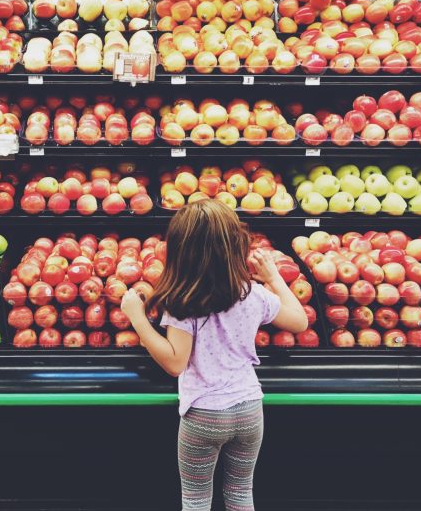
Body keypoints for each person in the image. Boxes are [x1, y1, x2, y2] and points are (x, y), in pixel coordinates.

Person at [120, 199, 307, 511]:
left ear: (179, 252)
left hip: (204, 414)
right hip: (249, 410)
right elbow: (299, 321)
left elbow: (175, 362)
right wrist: (275, 279)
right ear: (236, 246)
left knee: (196, 501)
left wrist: (137, 318)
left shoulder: (182, 303)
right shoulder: (251, 293)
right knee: (240, 494)